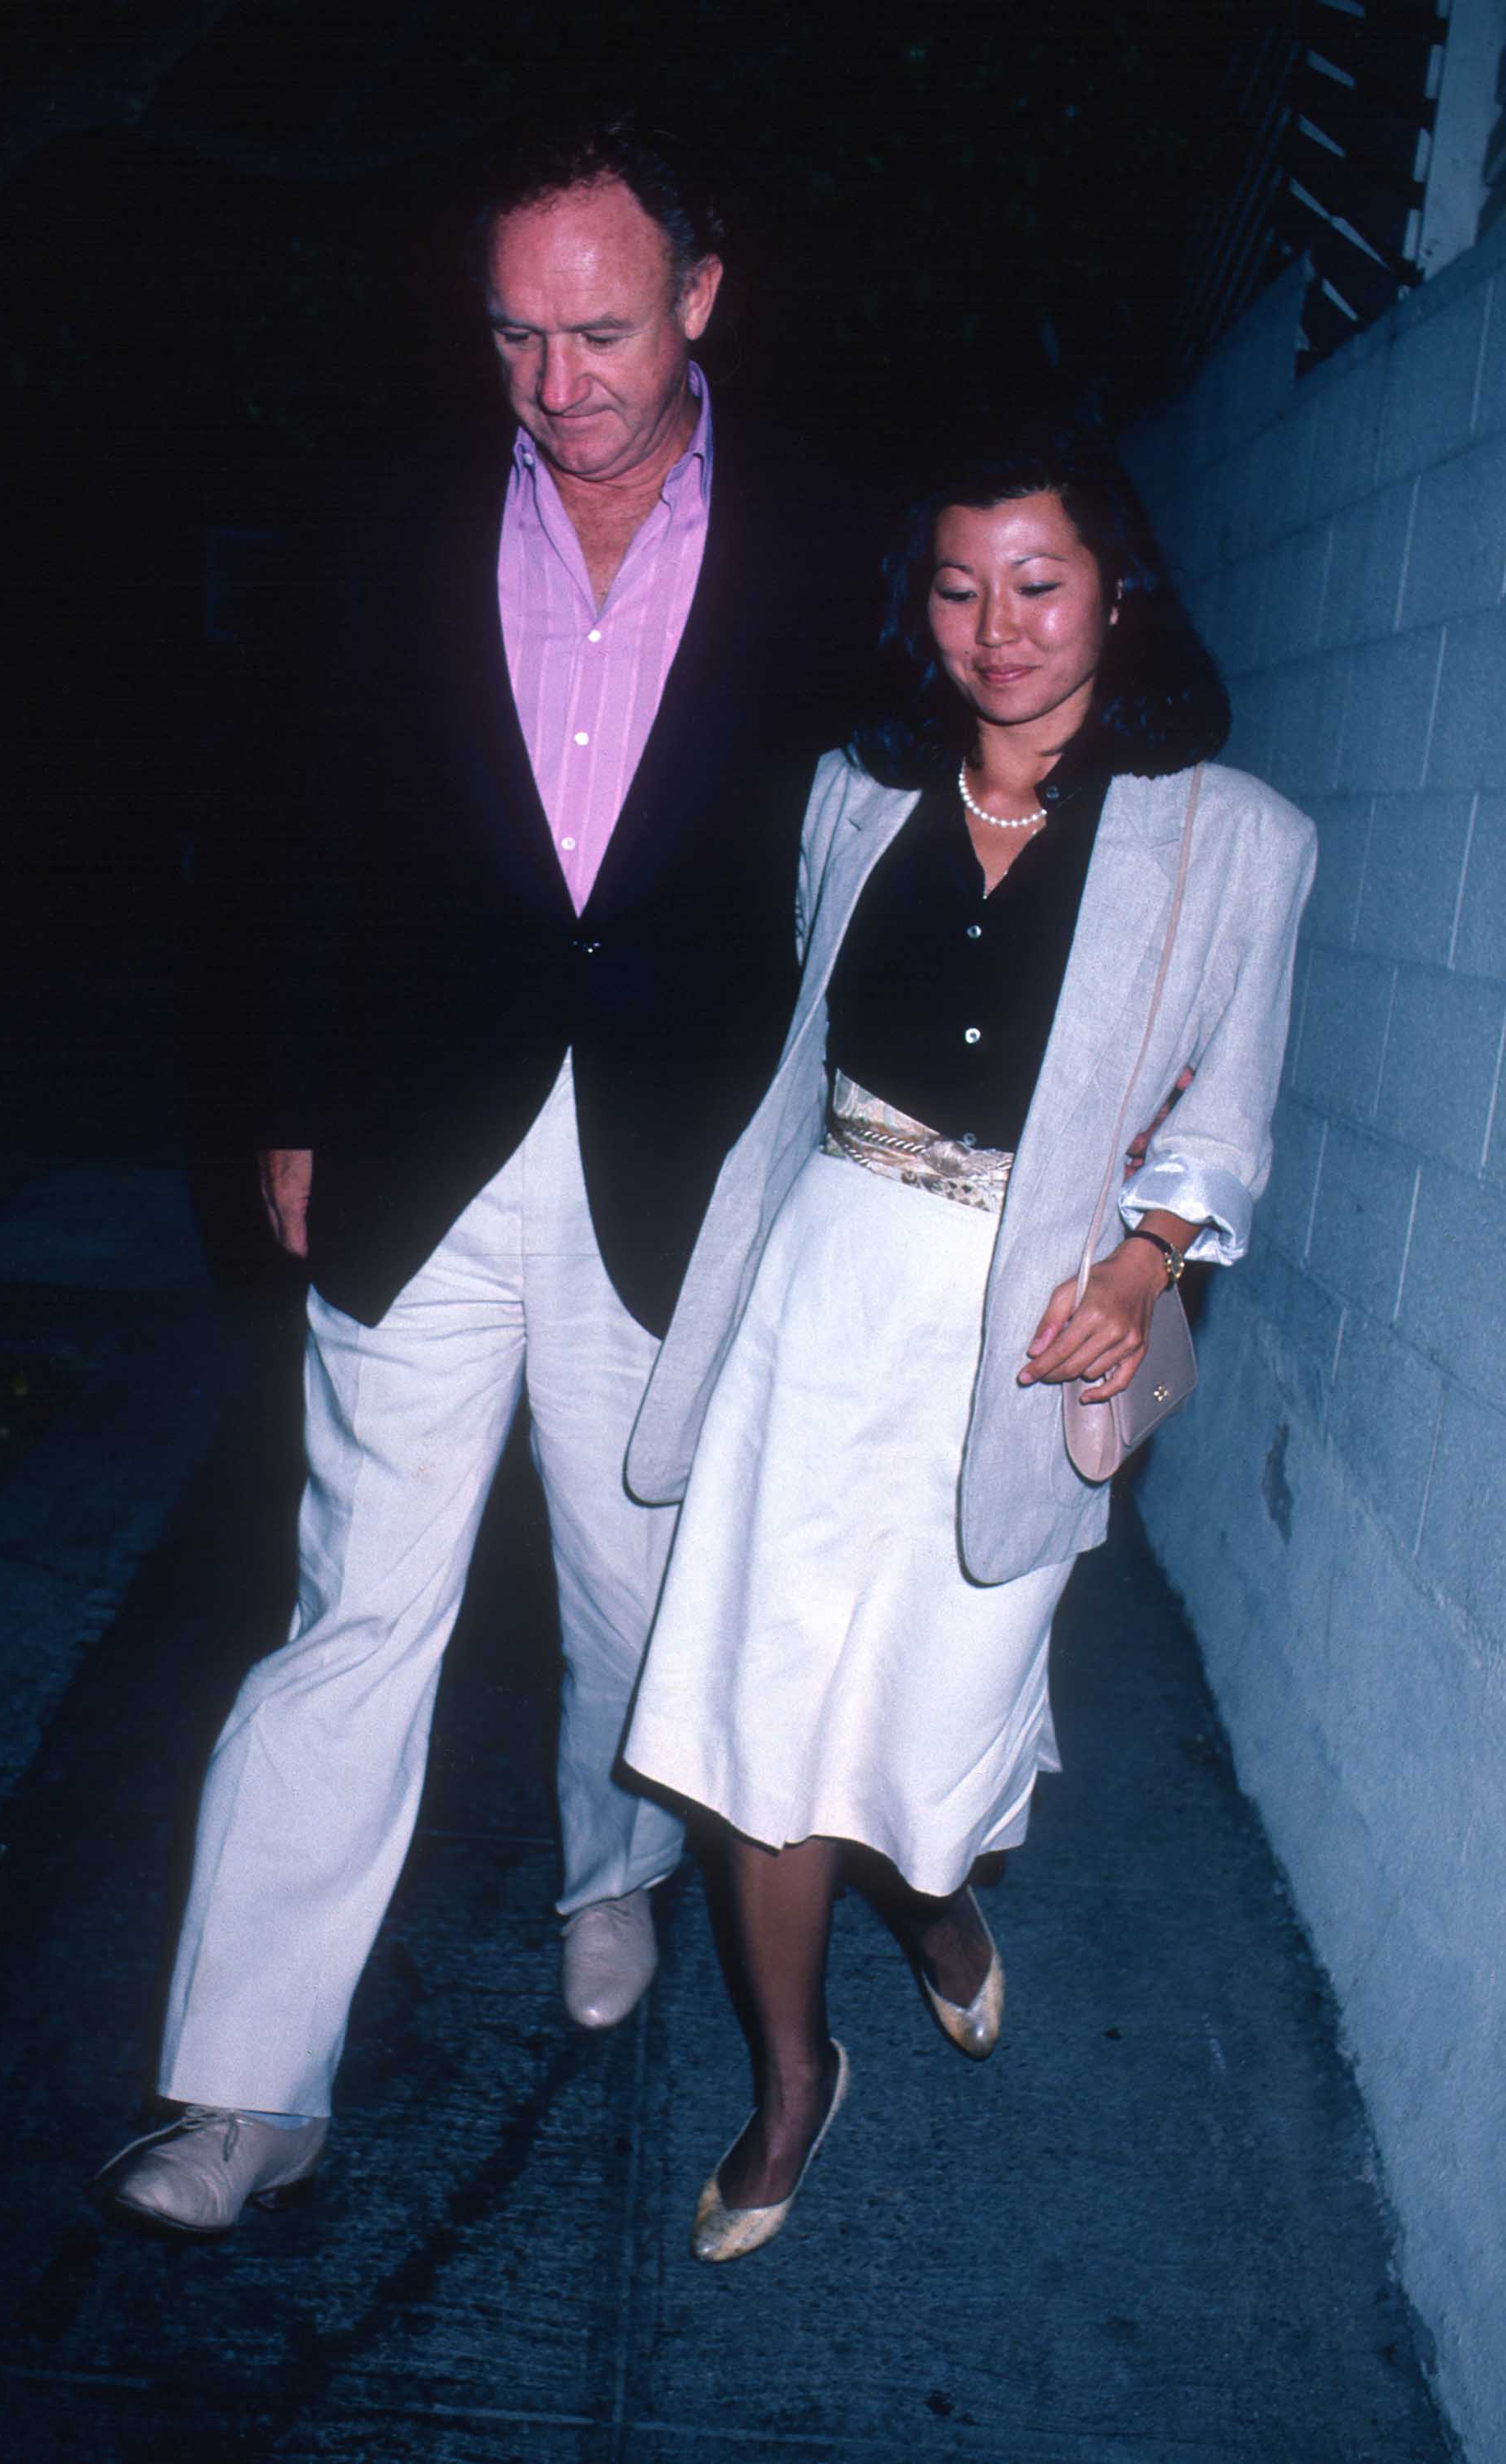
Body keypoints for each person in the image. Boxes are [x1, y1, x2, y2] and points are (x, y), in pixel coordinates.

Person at [99, 117, 865, 2235]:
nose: (561, 383)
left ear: (701, 297)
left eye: (604, 329)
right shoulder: (386, 523)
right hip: (421, 1139)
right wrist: (279, 1094)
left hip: (677, 1162)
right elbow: (275, 830)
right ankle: (241, 2088)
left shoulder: (831, 534)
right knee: (356, 1609)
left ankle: (608, 1864)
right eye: (518, 336)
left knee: (638, 1598)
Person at [620, 419, 1316, 2263]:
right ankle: (790, 2080)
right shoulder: (855, 794)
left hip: (1027, 1333)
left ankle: (932, 1905)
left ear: (1118, 592)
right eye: (958, 585)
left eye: (1040, 582)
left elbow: (1226, 1118)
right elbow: (781, 1054)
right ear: (917, 606)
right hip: (824, 1288)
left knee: (935, 1739)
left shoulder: (1231, 840)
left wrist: (1153, 1255)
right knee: (758, 1716)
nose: (1000, 627)